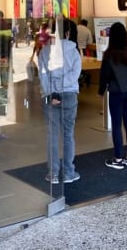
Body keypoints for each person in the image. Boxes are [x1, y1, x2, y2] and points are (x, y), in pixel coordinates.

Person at [37, 18, 81, 184]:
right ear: (68, 33)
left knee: (52, 136)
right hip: (69, 95)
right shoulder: (74, 51)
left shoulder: (44, 52)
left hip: (50, 96)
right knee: (68, 135)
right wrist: (62, 89)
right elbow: (75, 74)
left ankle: (53, 173)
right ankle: (69, 172)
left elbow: (43, 75)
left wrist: (53, 91)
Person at [98, 21, 127, 170]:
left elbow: (105, 75)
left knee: (116, 125)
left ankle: (118, 159)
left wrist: (101, 91)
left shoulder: (110, 54)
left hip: (116, 91)